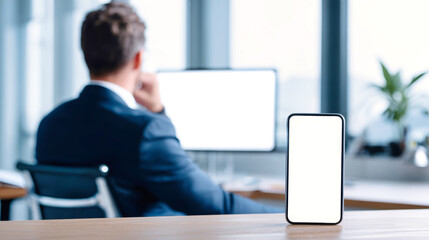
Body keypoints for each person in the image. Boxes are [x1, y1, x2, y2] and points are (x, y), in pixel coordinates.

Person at [36, 2, 281, 217]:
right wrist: (285, 216)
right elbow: (217, 205)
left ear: (85, 54)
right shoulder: (145, 131)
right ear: (137, 58)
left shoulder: (49, 124)